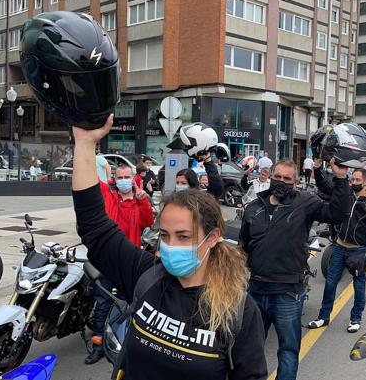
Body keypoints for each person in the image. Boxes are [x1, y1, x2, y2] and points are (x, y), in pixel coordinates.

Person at [72, 115, 267, 379]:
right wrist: (84, 143)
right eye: (164, 235)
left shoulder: (239, 311)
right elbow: (94, 228)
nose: (170, 245)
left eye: (184, 236)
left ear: (212, 238)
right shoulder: (147, 276)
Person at [239, 158, 349, 380]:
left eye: (287, 179)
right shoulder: (254, 207)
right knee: (248, 350)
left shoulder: (305, 203)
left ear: (295, 181)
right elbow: (244, 246)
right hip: (256, 291)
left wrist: (340, 178)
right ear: (270, 176)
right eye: (277, 176)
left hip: (287, 293)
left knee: (288, 351)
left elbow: (337, 213)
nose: (281, 181)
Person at [86, 161, 155, 364]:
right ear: (114, 179)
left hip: (129, 261)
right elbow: (90, 179)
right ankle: (98, 346)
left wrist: (143, 201)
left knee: (132, 305)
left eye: (127, 177)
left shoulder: (140, 201)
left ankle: (130, 345)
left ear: (133, 179)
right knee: (102, 303)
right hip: (107, 260)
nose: (123, 181)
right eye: (120, 177)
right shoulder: (109, 196)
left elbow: (148, 221)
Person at [308, 166, 366, 334]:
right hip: (340, 247)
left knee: (359, 285)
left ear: (365, 181)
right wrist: (318, 168)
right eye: (353, 179)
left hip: (358, 251)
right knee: (330, 283)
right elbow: (325, 187)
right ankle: (323, 316)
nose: (354, 182)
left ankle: (355, 319)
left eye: (358, 180)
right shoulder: (346, 196)